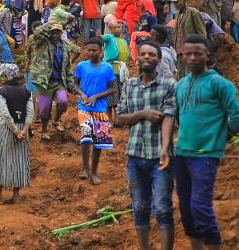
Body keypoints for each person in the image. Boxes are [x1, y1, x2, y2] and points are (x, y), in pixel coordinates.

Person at [161, 35, 239, 249]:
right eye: (189, 54)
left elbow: (236, 114)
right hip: (183, 152)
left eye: (198, 53)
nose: (193, 57)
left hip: (207, 154)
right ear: (183, 56)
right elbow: (173, 114)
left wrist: (224, 137)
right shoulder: (181, 85)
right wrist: (167, 145)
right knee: (186, 208)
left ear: (208, 56)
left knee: (200, 207)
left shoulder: (220, 84)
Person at [114, 42, 176, 250]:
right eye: (143, 54)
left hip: (160, 156)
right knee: (140, 207)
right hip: (135, 155)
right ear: (137, 58)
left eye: (152, 54)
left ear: (158, 60)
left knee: (162, 208)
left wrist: (165, 148)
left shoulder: (168, 85)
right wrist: (142, 114)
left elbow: (169, 117)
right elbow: (119, 118)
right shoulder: (130, 85)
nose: (147, 57)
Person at [74, 38, 117, 185]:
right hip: (84, 107)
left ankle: (94, 172)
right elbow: (75, 84)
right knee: (86, 137)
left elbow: (112, 88)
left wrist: (97, 96)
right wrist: (82, 94)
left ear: (101, 51)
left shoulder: (107, 68)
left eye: (94, 50)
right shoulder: (81, 66)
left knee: (99, 142)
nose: (91, 53)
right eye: (89, 50)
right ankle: (85, 168)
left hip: (100, 109)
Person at [28, 23, 76, 140]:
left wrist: (70, 83)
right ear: (49, 32)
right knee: (45, 108)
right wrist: (51, 22)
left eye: (57, 32)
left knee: (63, 102)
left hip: (59, 80)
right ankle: (44, 131)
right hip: (45, 81)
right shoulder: (43, 43)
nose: (55, 34)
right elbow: (37, 32)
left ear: (61, 33)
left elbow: (67, 66)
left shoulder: (64, 46)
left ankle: (55, 120)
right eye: (53, 32)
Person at [0, 72, 33, 204]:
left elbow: (5, 113)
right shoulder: (27, 92)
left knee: (0, 158)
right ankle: (16, 195)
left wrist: (15, 130)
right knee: (20, 159)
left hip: (6, 127)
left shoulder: (1, 91)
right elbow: (30, 113)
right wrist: (23, 131)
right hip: (22, 128)